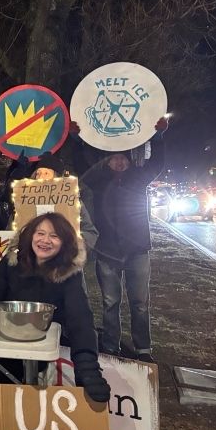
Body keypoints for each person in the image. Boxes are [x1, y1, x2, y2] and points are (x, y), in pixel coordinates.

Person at [0, 212, 110, 402]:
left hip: (48, 352)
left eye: (54, 236)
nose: (45, 240)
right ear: (31, 235)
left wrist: (87, 366)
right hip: (6, 348)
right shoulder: (11, 263)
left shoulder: (69, 273)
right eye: (40, 233)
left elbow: (80, 319)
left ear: (64, 242)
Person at [80, 119, 168, 362]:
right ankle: (111, 346)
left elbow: (157, 163)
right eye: (113, 158)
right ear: (106, 160)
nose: (119, 162)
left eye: (123, 158)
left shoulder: (139, 178)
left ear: (130, 160)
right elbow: (82, 167)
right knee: (110, 303)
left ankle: (143, 350)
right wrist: (77, 140)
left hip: (138, 251)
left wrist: (158, 137)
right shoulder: (97, 181)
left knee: (140, 302)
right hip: (107, 252)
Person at [0, 152, 99, 253]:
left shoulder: (70, 200)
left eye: (46, 173)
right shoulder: (25, 201)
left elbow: (90, 232)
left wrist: (71, 246)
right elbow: (12, 231)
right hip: (30, 264)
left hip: (62, 265)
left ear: (56, 177)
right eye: (38, 173)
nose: (40, 178)